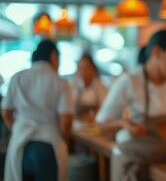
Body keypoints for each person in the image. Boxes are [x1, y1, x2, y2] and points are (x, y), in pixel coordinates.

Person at [95, 30, 166, 181]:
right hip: (132, 166)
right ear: (157, 52)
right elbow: (101, 125)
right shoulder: (130, 82)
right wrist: (123, 124)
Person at [1, 39, 73, 181]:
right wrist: (65, 142)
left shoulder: (18, 77)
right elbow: (66, 121)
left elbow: (5, 112)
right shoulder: (61, 83)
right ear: (53, 56)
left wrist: (16, 130)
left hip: (20, 146)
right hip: (49, 146)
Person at [69, 52, 107, 121]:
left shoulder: (101, 87)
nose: (83, 71)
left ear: (93, 70)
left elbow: (106, 107)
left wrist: (93, 115)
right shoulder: (72, 86)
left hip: (95, 123)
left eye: (86, 68)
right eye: (81, 68)